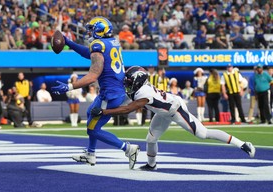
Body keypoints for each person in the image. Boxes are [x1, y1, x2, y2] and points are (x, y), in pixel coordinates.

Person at [90, 66, 256, 171]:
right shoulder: (138, 88)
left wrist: (104, 112)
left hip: (175, 110)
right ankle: (151, 165)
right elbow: (125, 100)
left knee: (202, 134)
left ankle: (242, 144)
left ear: (137, 82)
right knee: (151, 139)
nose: (127, 84)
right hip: (162, 112)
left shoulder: (143, 93)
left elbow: (127, 109)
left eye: (129, 81)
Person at [51, 16, 139, 169]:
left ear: (100, 30)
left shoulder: (99, 45)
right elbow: (89, 53)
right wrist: (69, 43)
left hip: (111, 95)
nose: (89, 32)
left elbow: (93, 75)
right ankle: (90, 154)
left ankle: (128, 148)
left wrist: (70, 86)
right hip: (111, 90)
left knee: (92, 129)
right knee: (92, 113)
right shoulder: (111, 41)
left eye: (92, 29)